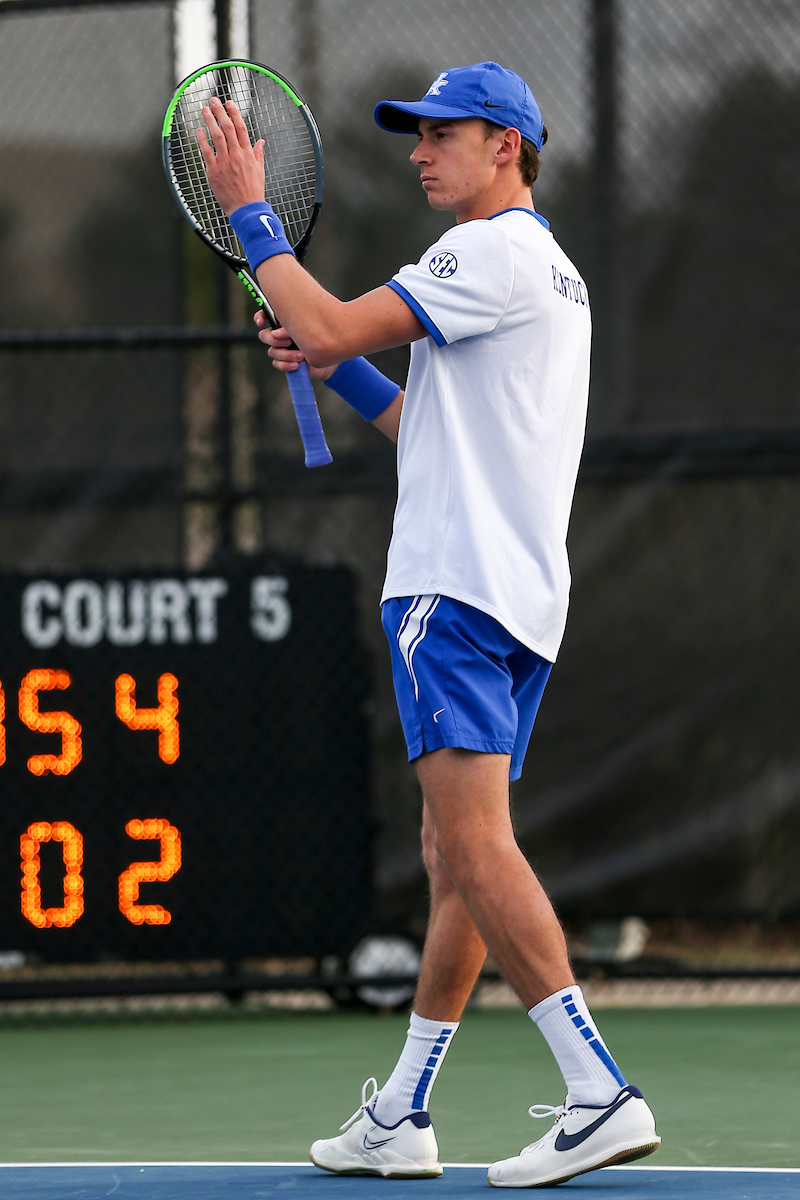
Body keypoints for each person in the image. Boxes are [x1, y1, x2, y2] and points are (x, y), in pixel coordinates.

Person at [197, 60, 660, 1188]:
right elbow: (422, 422)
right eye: (413, 135)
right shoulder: (551, 275)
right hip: (519, 601)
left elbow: (333, 321)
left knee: (469, 846)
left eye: (440, 134)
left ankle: (597, 1088)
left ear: (504, 145)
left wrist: (250, 214)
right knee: (449, 858)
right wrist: (331, 357)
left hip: (452, 595)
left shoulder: (483, 250)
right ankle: (400, 1112)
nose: (417, 151)